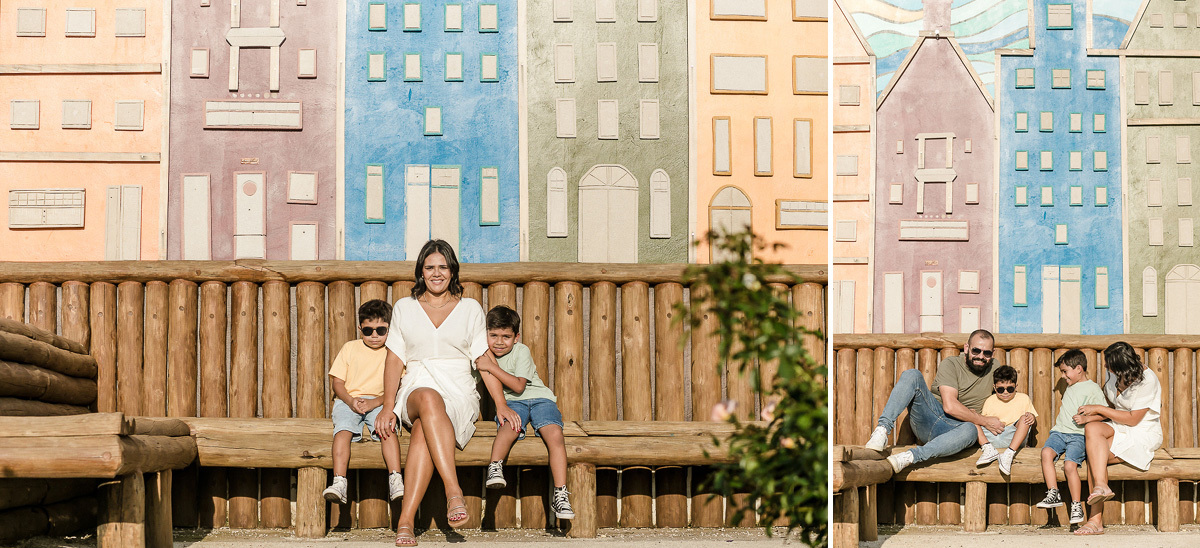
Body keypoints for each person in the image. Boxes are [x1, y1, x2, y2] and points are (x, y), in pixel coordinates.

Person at [373, 240, 520, 547]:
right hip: (417, 385)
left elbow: (483, 360)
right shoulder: (404, 307)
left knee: (422, 433)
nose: (436, 273)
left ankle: (405, 522)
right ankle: (454, 491)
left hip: (458, 390)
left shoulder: (469, 309)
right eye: (430, 267)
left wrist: (501, 403)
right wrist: (388, 407)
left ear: (453, 271)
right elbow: (394, 359)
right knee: (428, 398)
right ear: (421, 271)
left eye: (443, 267)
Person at [480, 305, 575, 520]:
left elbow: (519, 386)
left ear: (516, 337)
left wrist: (491, 367)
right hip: (513, 403)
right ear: (485, 334)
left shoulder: (521, 350)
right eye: (493, 335)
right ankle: (495, 467)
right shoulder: (482, 355)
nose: (499, 341)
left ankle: (561, 493)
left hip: (540, 399)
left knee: (554, 434)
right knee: (509, 427)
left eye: (506, 336)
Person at [865, 329, 1001, 473]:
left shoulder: (995, 368)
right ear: (966, 348)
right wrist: (985, 421)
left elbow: (1008, 395)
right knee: (912, 375)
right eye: (976, 350)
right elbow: (950, 407)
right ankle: (882, 430)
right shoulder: (951, 364)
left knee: (970, 430)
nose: (980, 356)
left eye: (986, 353)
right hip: (931, 417)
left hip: (957, 432)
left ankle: (909, 457)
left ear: (992, 354)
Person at [1072, 341, 1163, 536]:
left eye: (1109, 364)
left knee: (1095, 458)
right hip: (1119, 426)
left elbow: (1133, 419)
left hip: (1141, 431)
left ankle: (1095, 521)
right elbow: (1114, 410)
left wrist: (1097, 408)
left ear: (1122, 365)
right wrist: (1091, 417)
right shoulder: (1114, 374)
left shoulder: (1148, 380)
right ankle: (1101, 485)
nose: (1105, 367)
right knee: (1092, 429)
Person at [322, 299, 405, 504]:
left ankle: (396, 477)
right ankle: (340, 481)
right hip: (349, 400)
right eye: (368, 331)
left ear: (390, 329)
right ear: (360, 329)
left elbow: (398, 386)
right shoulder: (350, 348)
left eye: (381, 330)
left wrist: (376, 403)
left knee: (387, 429)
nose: (374, 335)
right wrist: (350, 401)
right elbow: (338, 383)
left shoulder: (394, 353)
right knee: (342, 431)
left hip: (381, 402)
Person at [1035, 349, 1106, 525]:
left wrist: (1087, 419)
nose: (1063, 376)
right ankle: (1053, 493)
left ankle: (1076, 505)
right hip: (1059, 432)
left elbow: (1104, 414)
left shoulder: (1093, 388)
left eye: (1065, 371)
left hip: (1078, 435)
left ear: (1079, 369)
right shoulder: (1070, 385)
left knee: (1069, 466)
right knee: (1046, 454)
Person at [973, 365, 1036, 476]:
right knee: (972, 416)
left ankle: (1009, 453)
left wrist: (1032, 417)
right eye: (1001, 389)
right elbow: (984, 422)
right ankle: (987, 448)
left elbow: (1031, 421)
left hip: (1014, 437)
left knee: (1025, 418)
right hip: (993, 436)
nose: (1005, 392)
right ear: (994, 387)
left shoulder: (1023, 398)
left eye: (1010, 389)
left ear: (1016, 386)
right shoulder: (990, 400)